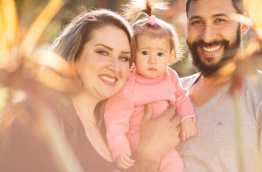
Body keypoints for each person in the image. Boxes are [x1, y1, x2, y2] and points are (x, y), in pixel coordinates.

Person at [0, 9, 181, 172]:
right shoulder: (36, 116)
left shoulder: (118, 128)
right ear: (75, 54)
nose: (115, 66)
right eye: (102, 52)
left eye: (124, 58)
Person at [177, 0, 262, 172]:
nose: (207, 35)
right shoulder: (171, 92)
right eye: (197, 22)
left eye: (220, 20)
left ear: (243, 25)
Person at [104, 0, 197, 171]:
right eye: (145, 52)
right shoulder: (129, 84)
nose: (152, 59)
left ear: (170, 56)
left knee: (176, 166)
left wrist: (188, 118)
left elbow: (182, 98)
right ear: (132, 55)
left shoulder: (170, 76)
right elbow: (115, 118)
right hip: (139, 143)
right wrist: (119, 147)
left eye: (159, 54)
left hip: (167, 143)